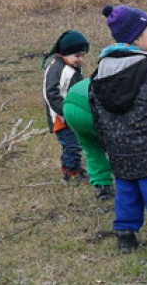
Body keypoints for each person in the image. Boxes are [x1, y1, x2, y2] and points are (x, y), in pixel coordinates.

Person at [89, 4, 147, 258]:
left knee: (127, 193)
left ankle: (126, 238)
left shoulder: (98, 74)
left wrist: (107, 141)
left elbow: (95, 113)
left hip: (119, 150)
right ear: (136, 37)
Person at [42, 30, 89, 184]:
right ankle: (71, 171)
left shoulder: (73, 68)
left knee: (75, 142)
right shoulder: (58, 69)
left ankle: (72, 167)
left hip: (73, 114)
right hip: (61, 117)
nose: (80, 59)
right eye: (77, 56)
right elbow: (51, 94)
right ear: (65, 53)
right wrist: (65, 111)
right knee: (71, 144)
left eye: (82, 56)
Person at [63, 78, 114, 201]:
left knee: (91, 147)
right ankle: (132, 182)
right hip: (88, 106)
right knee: (120, 145)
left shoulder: (103, 75)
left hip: (69, 106)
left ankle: (102, 186)